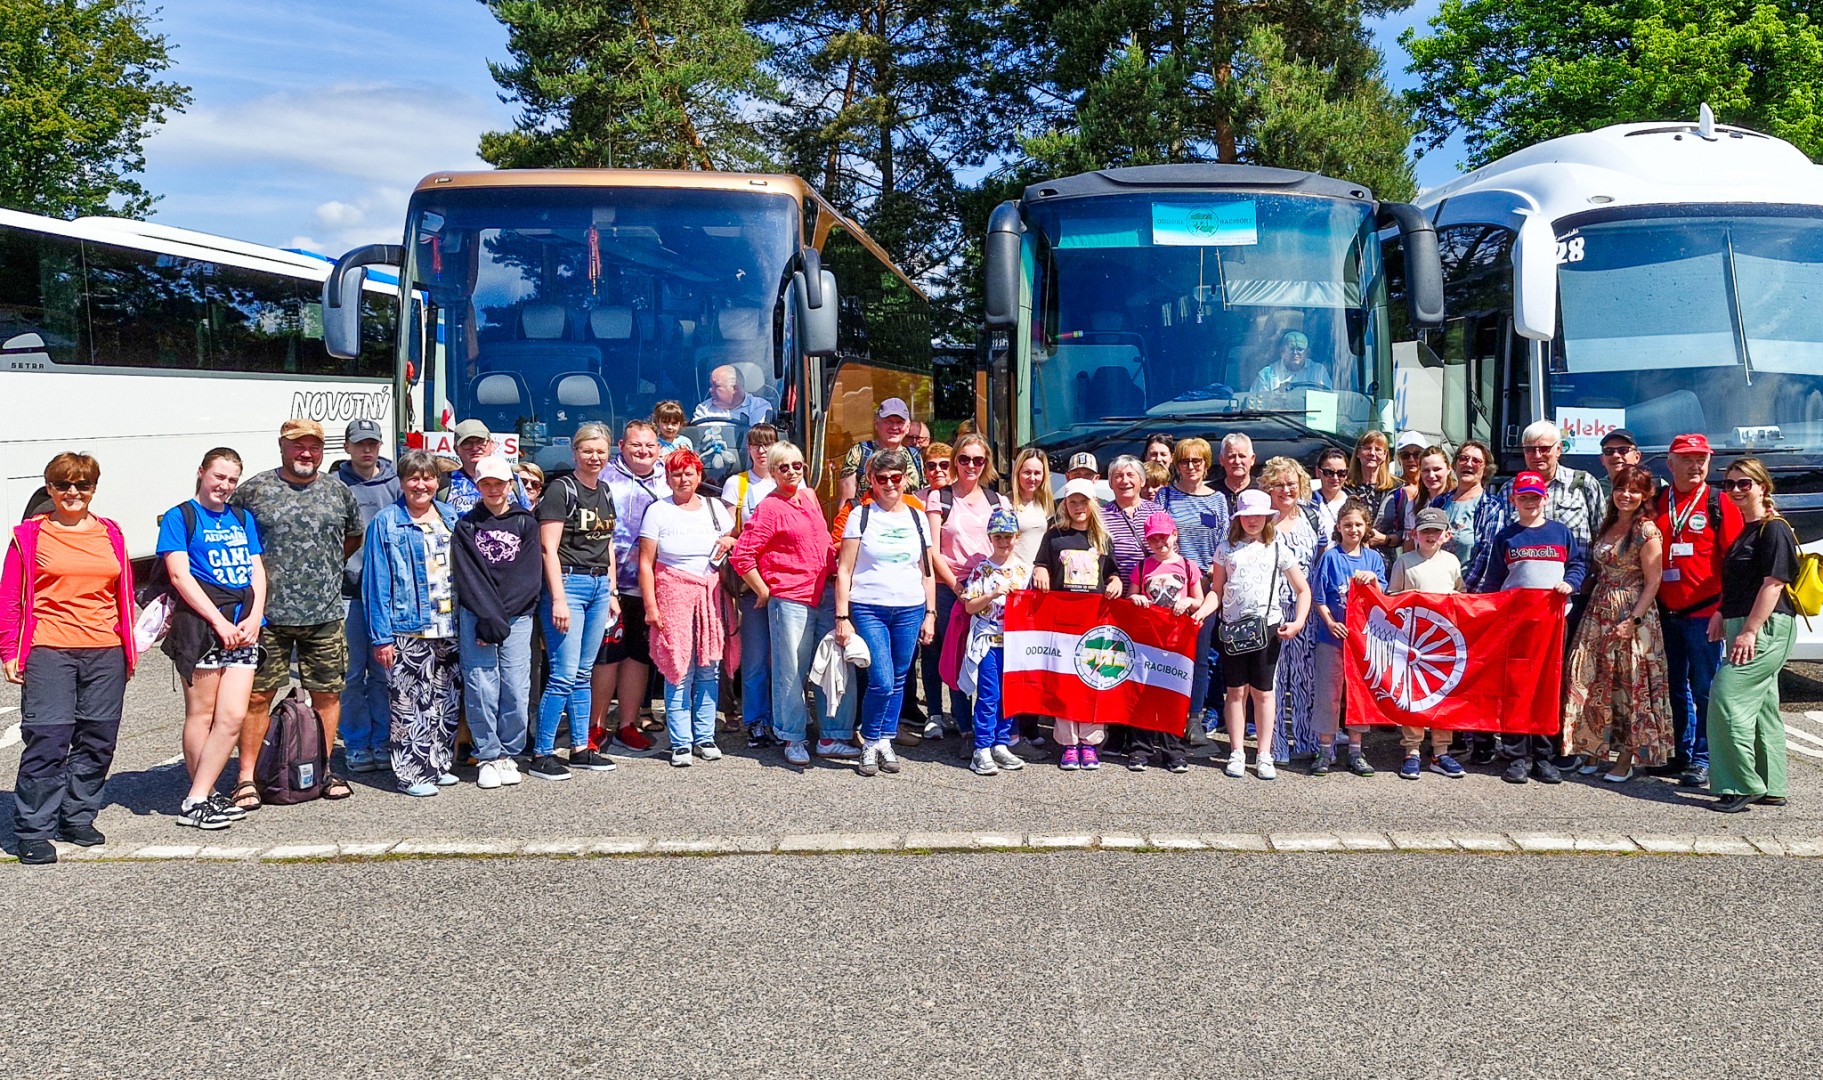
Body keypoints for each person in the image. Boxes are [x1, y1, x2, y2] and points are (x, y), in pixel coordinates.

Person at [2, 453, 137, 865]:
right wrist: (9, 651)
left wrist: (130, 644)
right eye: (63, 485)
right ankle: (34, 830)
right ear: (50, 489)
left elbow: (121, 590)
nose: (72, 492)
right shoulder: (29, 536)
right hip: (49, 649)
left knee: (98, 739)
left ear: (94, 488)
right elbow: (9, 599)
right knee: (49, 738)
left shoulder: (110, 532)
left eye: (82, 485)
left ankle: (77, 817)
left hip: (105, 650)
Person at [230, 419, 364, 808]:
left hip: (324, 614)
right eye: (297, 446)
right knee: (257, 696)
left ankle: (321, 771)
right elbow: (231, 536)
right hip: (266, 616)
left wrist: (320, 572)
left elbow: (352, 537)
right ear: (282, 447)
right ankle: (247, 778)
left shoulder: (337, 491)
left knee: (327, 694)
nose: (306, 453)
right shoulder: (254, 490)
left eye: (313, 447)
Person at [158, 448, 267, 829]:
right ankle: (198, 797)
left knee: (232, 716)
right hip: (202, 628)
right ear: (202, 472)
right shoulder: (180, 516)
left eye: (232, 479)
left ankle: (202, 795)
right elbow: (179, 576)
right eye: (219, 476)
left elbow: (257, 570)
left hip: (243, 628)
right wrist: (219, 623)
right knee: (202, 715)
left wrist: (254, 617)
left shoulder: (242, 517)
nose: (225, 485)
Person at [1474, 470, 1586, 784]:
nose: (1530, 502)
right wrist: (1485, 614)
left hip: (1553, 624)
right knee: (1516, 688)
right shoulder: (1506, 537)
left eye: (1535, 497)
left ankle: (1544, 756)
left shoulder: (1560, 533)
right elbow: (1494, 580)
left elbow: (1578, 564)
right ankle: (1515, 756)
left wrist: (1570, 582)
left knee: (1547, 688)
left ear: (1544, 498)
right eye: (1523, 497)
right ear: (1514, 499)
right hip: (1516, 625)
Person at [361, 451, 463, 796]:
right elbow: (376, 582)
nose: (421, 485)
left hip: (449, 624)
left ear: (437, 481)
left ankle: (438, 763)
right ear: (402, 482)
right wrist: (381, 637)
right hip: (408, 625)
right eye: (413, 478)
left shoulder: (450, 517)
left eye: (428, 478)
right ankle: (412, 774)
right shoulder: (387, 522)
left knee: (445, 699)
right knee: (409, 703)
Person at [1563, 465, 1671, 783]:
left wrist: (1633, 620)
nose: (1626, 495)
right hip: (1599, 609)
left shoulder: (1646, 531)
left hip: (1631, 613)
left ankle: (1625, 758)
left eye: (1634, 490)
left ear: (1645, 495)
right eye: (1621, 488)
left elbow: (1653, 581)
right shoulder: (1608, 524)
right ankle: (1592, 748)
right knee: (1589, 678)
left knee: (1628, 686)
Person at [731, 441, 834, 768]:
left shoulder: (810, 497)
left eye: (797, 465)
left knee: (827, 667)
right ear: (773, 472)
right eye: (783, 467)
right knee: (790, 671)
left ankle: (831, 736)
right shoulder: (769, 506)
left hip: (822, 593)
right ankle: (792, 737)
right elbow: (742, 555)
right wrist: (763, 590)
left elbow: (822, 542)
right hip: (789, 596)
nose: (791, 472)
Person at [836, 448, 937, 775]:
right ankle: (869, 740)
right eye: (883, 479)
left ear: (905, 478)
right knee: (880, 679)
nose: (890, 484)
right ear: (872, 480)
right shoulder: (860, 515)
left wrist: (931, 613)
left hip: (910, 607)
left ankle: (885, 740)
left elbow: (927, 571)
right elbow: (844, 570)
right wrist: (842, 617)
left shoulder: (917, 517)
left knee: (898, 678)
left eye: (896, 477)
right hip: (870, 607)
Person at [1706, 458, 1798, 813]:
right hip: (1744, 621)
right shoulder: (1749, 528)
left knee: (1726, 696)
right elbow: (1743, 582)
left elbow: (1774, 584)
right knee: (1762, 706)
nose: (1735, 490)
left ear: (1763, 487)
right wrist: (1722, 612)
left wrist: (1749, 630)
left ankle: (1740, 784)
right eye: (1729, 484)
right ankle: (1772, 785)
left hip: (1765, 625)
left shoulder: (1774, 529)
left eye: (1744, 483)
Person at [531, 422, 622, 781]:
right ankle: (542, 753)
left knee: (584, 673)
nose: (594, 457)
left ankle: (581, 747)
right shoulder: (561, 490)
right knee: (563, 674)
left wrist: (612, 591)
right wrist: (558, 599)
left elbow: (608, 544)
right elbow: (547, 549)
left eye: (601, 451)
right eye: (588, 451)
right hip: (569, 584)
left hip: (599, 586)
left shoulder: (606, 491)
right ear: (575, 452)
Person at [639, 449, 737, 768]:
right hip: (672, 594)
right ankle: (681, 742)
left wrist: (730, 542)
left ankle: (705, 737)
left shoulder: (714, 508)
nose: (683, 479)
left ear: (699, 476)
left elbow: (734, 541)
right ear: (668, 478)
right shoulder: (658, 511)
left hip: (711, 594)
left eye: (688, 473)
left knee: (709, 668)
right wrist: (651, 607)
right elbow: (646, 563)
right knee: (678, 669)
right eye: (676, 474)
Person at [1652, 433, 1739, 789]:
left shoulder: (1719, 502)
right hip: (1666, 612)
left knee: (1705, 688)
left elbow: (1735, 563)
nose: (1695, 466)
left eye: (1701, 459)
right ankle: (1681, 753)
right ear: (1670, 464)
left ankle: (1704, 758)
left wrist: (1725, 610)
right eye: (1687, 459)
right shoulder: (1658, 501)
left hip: (1705, 612)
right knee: (1673, 686)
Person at [453, 456, 542, 790]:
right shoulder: (467, 525)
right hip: (478, 615)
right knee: (481, 686)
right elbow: (468, 576)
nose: (493, 489)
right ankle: (488, 755)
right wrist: (488, 619)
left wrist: (501, 620)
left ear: (509, 485)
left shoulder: (525, 523)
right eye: (486, 484)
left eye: (499, 483)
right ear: (478, 486)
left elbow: (528, 576)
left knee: (516, 688)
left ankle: (508, 752)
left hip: (516, 617)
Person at [1208, 489, 1311, 781]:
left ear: (1267, 518)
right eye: (1247, 516)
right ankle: (1237, 751)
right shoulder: (1225, 549)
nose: (1252, 521)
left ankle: (1264, 753)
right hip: (1232, 629)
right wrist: (1202, 611)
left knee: (1264, 693)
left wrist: (1298, 622)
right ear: (1238, 519)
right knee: (1235, 691)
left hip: (1268, 628)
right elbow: (1216, 590)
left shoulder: (1278, 548)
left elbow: (1302, 589)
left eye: (1258, 516)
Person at [590, 421, 672, 754]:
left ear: (659, 448)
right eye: (636, 445)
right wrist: (609, 589)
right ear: (622, 446)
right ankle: (596, 725)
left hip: (651, 586)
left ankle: (628, 724)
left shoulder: (668, 478)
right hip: (609, 583)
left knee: (639, 656)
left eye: (650, 446)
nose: (643, 451)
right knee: (606, 658)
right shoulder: (604, 477)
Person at [1033, 478, 1123, 770]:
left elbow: (1111, 572)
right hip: (1062, 620)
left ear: (1093, 504)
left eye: (1084, 501)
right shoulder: (1054, 536)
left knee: (1092, 679)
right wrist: (1040, 570)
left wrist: (1116, 582)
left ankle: (1090, 742)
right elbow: (1042, 563)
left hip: (1093, 622)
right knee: (1065, 682)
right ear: (1065, 505)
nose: (1078, 507)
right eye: (1073, 502)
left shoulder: (1102, 539)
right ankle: (1068, 743)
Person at [923, 433, 1004, 741]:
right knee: (956, 654)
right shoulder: (940, 498)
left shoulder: (997, 501)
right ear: (956, 461)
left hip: (987, 589)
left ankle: (986, 724)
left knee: (986, 657)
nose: (971, 465)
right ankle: (964, 727)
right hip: (951, 588)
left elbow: (1004, 544)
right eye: (965, 459)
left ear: (986, 463)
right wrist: (958, 588)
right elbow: (932, 550)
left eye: (978, 460)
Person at [335, 418, 400, 774]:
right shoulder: (335, 484)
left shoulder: (396, 483)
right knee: (351, 674)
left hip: (389, 594)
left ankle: (384, 739)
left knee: (384, 674)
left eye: (372, 443)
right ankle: (357, 742)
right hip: (350, 593)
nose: (366, 449)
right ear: (347, 447)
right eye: (360, 444)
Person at [1387, 507, 1467, 780]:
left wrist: (1455, 598)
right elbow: (1391, 597)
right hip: (1413, 641)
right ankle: (1412, 750)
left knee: (1444, 692)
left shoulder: (1452, 562)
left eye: (1436, 531)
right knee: (1414, 694)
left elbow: (1461, 595)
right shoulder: (1404, 562)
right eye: (1425, 531)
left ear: (1446, 535)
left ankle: (1440, 751)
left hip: (1444, 641)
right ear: (1415, 534)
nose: (1430, 536)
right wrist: (1408, 595)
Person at [1309, 499, 1386, 778]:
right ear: (1339, 527)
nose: (1353, 529)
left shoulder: (1374, 559)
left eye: (1358, 524)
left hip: (1362, 640)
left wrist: (1374, 580)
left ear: (1367, 528)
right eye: (1347, 524)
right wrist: (1330, 622)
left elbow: (1383, 599)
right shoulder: (1331, 557)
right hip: (1332, 639)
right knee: (1329, 694)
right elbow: (1319, 597)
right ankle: (1325, 749)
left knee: (1358, 695)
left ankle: (1356, 750)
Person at [1124, 511, 1206, 774]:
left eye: (1164, 537)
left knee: (1173, 695)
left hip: (1177, 642)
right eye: (1153, 539)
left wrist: (1189, 602)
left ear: (1174, 535)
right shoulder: (1142, 567)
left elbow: (1200, 601)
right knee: (1143, 694)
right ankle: (1140, 749)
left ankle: (1174, 750)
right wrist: (1136, 598)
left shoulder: (1188, 566)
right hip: (1147, 641)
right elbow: (1131, 596)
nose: (1159, 543)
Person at [1158, 437, 1227, 741]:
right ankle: (1166, 713)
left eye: (1196, 461)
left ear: (1206, 464)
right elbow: (1157, 538)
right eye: (1184, 461)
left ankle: (1194, 717)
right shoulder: (1165, 496)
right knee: (1169, 654)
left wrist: (1211, 574)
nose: (1190, 467)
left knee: (1201, 656)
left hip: (1205, 589)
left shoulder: (1218, 500)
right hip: (1170, 588)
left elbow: (1225, 543)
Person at [960, 508, 1033, 776]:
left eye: (1008, 536)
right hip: (989, 640)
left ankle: (1001, 743)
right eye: (998, 536)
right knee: (989, 694)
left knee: (1009, 694)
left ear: (1016, 537)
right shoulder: (983, 569)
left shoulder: (1025, 570)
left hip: (1015, 642)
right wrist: (992, 594)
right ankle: (982, 747)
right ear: (990, 537)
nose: (1004, 542)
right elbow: (969, 606)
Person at [722, 422, 779, 747]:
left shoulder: (790, 480)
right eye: (756, 444)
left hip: (786, 582)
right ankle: (757, 721)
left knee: (784, 658)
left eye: (767, 443)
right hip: (751, 583)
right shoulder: (738, 484)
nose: (762, 450)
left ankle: (784, 719)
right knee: (756, 657)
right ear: (748, 449)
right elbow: (730, 532)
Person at [1262, 457, 1320, 763]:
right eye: (1279, 484)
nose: (1286, 490)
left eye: (1291, 484)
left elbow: (1322, 559)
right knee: (1272, 679)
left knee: (1304, 677)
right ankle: (1276, 745)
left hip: (1304, 610)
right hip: (1269, 610)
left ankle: (1307, 739)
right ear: (1268, 488)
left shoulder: (1313, 516)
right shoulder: (1262, 520)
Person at [838, 397, 922, 503]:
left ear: (908, 427)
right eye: (888, 422)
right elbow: (846, 503)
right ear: (876, 424)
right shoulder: (859, 453)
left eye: (900, 422)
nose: (894, 427)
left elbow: (923, 499)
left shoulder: (915, 456)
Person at [1431, 440, 1500, 569]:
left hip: (1468, 580)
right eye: (1463, 459)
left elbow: (1487, 555)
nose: (1468, 464)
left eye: (1476, 461)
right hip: (1434, 579)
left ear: (1485, 470)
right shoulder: (1439, 502)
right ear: (1455, 465)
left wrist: (1463, 583)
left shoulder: (1491, 507)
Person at [439, 419, 530, 515]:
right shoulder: (443, 483)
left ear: (492, 445)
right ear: (456, 449)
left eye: (481, 442)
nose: (475, 448)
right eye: (467, 443)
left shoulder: (512, 479)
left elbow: (527, 515)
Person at [1102, 455, 1163, 590]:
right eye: (1118, 476)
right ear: (1110, 483)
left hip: (1152, 592)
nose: (1125, 481)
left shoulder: (1157, 513)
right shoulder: (1100, 516)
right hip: (1114, 594)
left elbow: (1171, 551)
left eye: (1130, 475)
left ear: (1142, 481)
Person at [1373, 430, 1428, 560]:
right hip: (1398, 556)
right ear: (1399, 458)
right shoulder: (1392, 489)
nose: (1411, 459)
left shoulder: (1433, 488)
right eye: (1405, 455)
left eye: (1417, 454)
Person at [1345, 430, 1399, 549]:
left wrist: (1385, 539)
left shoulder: (1397, 488)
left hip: (1384, 555)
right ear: (1358, 453)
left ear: (1385, 455)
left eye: (1378, 449)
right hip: (1350, 553)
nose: (1372, 453)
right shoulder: (1345, 487)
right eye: (1367, 448)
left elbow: (1405, 532)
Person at [1250, 330, 1333, 394]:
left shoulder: (1318, 371)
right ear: (1282, 351)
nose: (1295, 353)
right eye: (1291, 349)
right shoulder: (1266, 375)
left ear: (1307, 352)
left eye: (1300, 349)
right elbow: (1256, 405)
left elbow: (1329, 400)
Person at [1009, 446, 1053, 564]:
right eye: (1027, 472)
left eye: (1037, 473)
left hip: (1039, 572)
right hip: (1015, 572)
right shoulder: (1005, 504)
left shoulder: (1047, 505)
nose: (1032, 478)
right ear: (1017, 473)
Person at [693, 363, 773, 425]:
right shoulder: (703, 409)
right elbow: (699, 437)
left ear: (734, 388)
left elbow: (759, 437)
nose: (710, 390)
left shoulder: (759, 407)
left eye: (716, 386)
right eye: (711, 385)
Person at [1308, 447, 1352, 554]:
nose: (1335, 478)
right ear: (1318, 472)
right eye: (1328, 472)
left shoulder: (1353, 503)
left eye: (1341, 473)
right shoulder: (1307, 503)